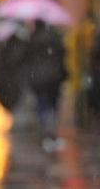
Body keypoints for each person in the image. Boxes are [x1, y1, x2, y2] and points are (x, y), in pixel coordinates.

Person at [25, 20, 68, 150]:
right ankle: (51, 129)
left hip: (38, 78)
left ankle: (45, 128)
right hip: (55, 77)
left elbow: (27, 58)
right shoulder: (55, 37)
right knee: (53, 104)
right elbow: (63, 53)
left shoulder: (33, 39)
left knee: (42, 103)